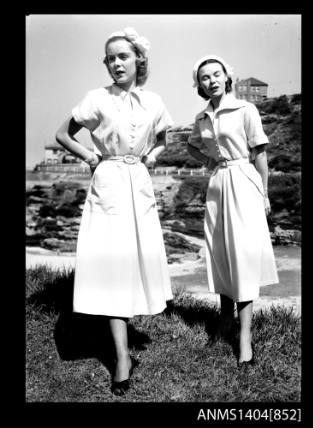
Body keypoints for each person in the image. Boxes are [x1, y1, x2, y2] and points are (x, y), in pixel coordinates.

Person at [55, 27, 174, 394]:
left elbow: (163, 137)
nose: (116, 63)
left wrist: (150, 157)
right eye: (110, 58)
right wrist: (92, 156)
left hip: (137, 183)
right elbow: (63, 134)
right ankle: (121, 356)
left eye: (122, 56)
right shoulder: (96, 98)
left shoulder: (154, 101)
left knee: (132, 260)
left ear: (139, 59)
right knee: (112, 263)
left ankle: (123, 345)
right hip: (107, 182)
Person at [187, 55, 279, 367]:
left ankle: (245, 338)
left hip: (243, 182)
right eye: (204, 77)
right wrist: (209, 160)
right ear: (199, 84)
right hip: (217, 185)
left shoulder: (245, 109)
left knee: (241, 256)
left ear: (228, 77)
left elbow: (260, 153)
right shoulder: (202, 117)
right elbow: (191, 145)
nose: (211, 80)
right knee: (221, 253)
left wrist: (263, 193)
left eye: (216, 74)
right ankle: (224, 320)